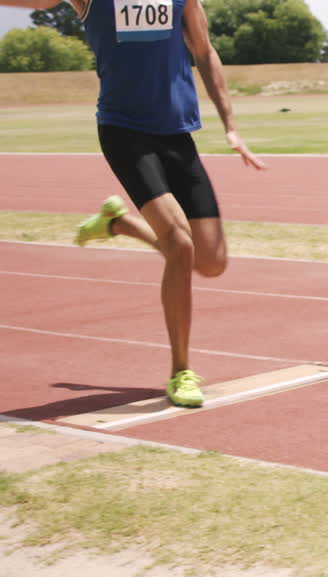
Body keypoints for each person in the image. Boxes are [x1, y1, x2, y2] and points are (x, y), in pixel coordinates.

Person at [3, 0, 266, 407]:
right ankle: (181, 371)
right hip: (125, 132)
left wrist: (231, 127)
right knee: (179, 245)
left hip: (178, 135)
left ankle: (118, 224)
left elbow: (204, 51)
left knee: (210, 262)